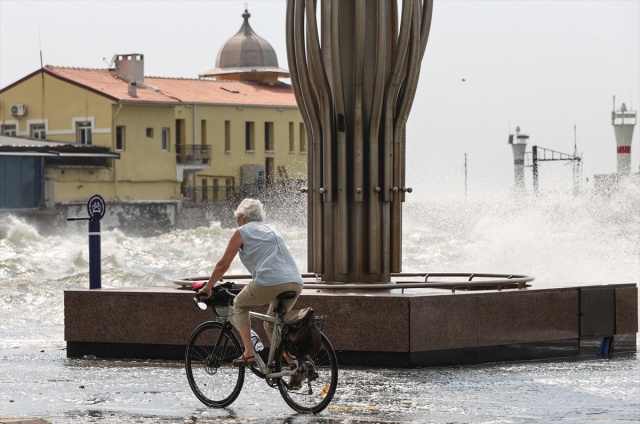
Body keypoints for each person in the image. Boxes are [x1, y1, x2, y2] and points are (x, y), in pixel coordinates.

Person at [198, 198, 303, 366]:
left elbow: (223, 264)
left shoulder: (242, 231)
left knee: (239, 304)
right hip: (295, 282)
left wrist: (208, 287)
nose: (236, 221)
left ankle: (248, 353)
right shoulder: (271, 228)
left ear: (244, 218)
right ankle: (294, 365)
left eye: (237, 217)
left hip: (270, 281)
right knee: (271, 324)